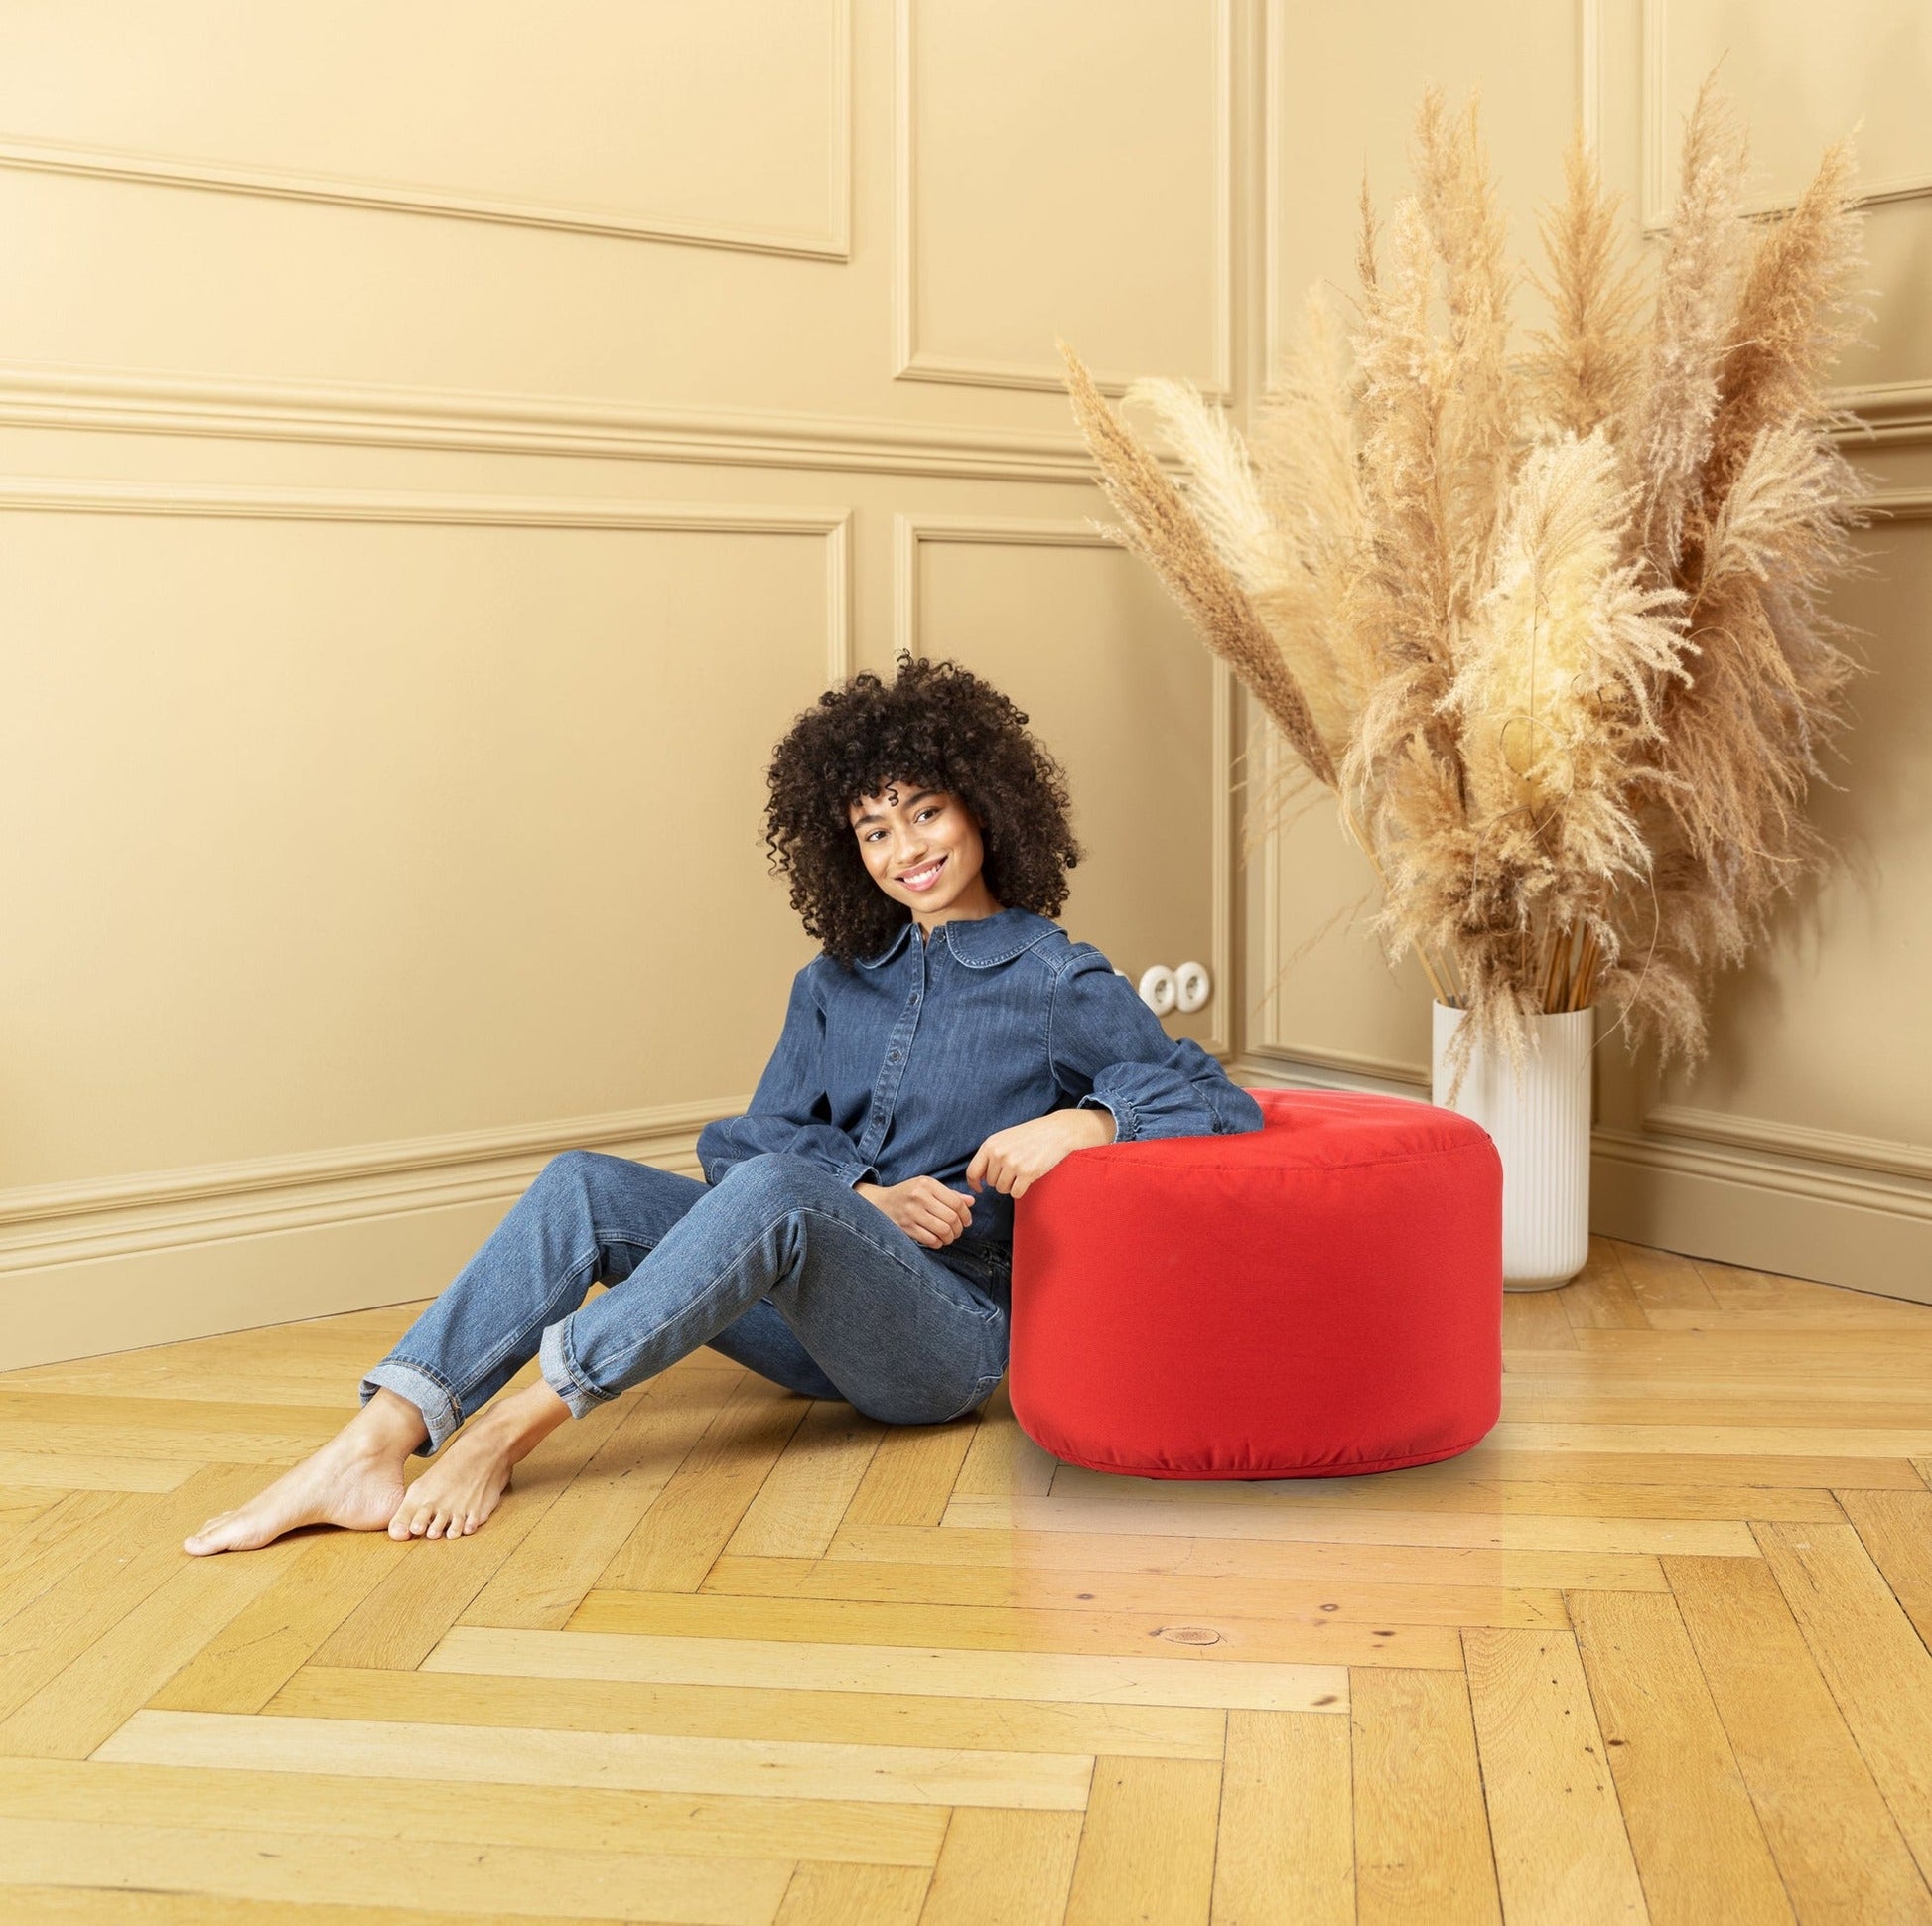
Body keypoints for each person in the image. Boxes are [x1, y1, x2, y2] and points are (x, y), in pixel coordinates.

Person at [184, 656, 1263, 1555]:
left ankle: (511, 1425)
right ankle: (375, 1440)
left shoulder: (1055, 977)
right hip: (808, 1322)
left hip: (951, 1338)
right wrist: (864, 1197)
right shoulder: (834, 981)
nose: (907, 850)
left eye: (925, 811)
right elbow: (744, 1143)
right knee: (584, 1184)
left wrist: (1080, 1121)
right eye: (873, 829)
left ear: (983, 804)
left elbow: (1213, 1097)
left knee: (785, 1190)